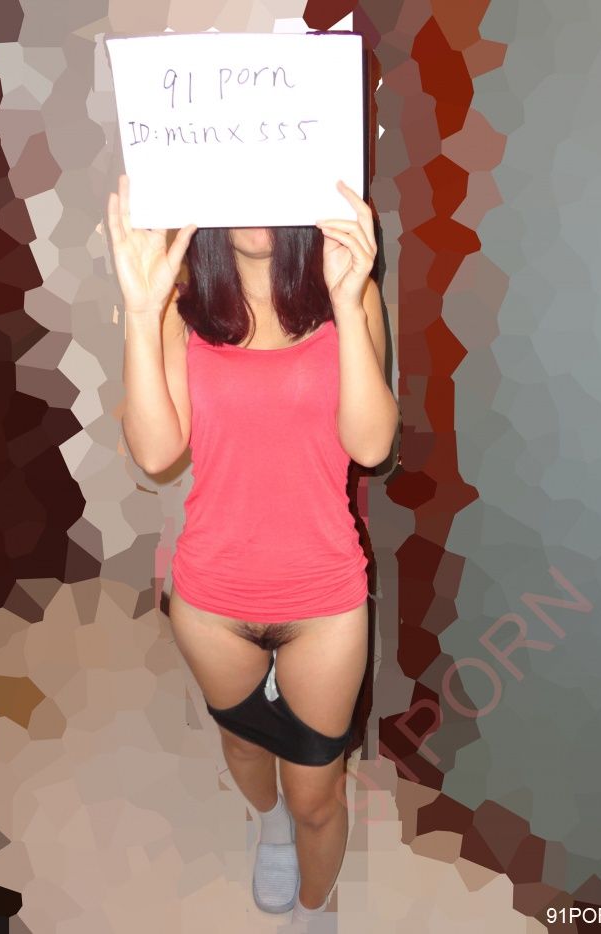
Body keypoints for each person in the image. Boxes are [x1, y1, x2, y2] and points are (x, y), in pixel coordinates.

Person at [106, 173, 399, 929]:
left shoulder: (350, 290)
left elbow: (371, 444)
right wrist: (141, 313)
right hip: (213, 596)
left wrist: (348, 299)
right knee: (243, 751)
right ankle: (268, 829)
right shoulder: (181, 307)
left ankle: (315, 908)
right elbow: (156, 452)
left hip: (323, 599)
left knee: (318, 795)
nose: (254, 197)